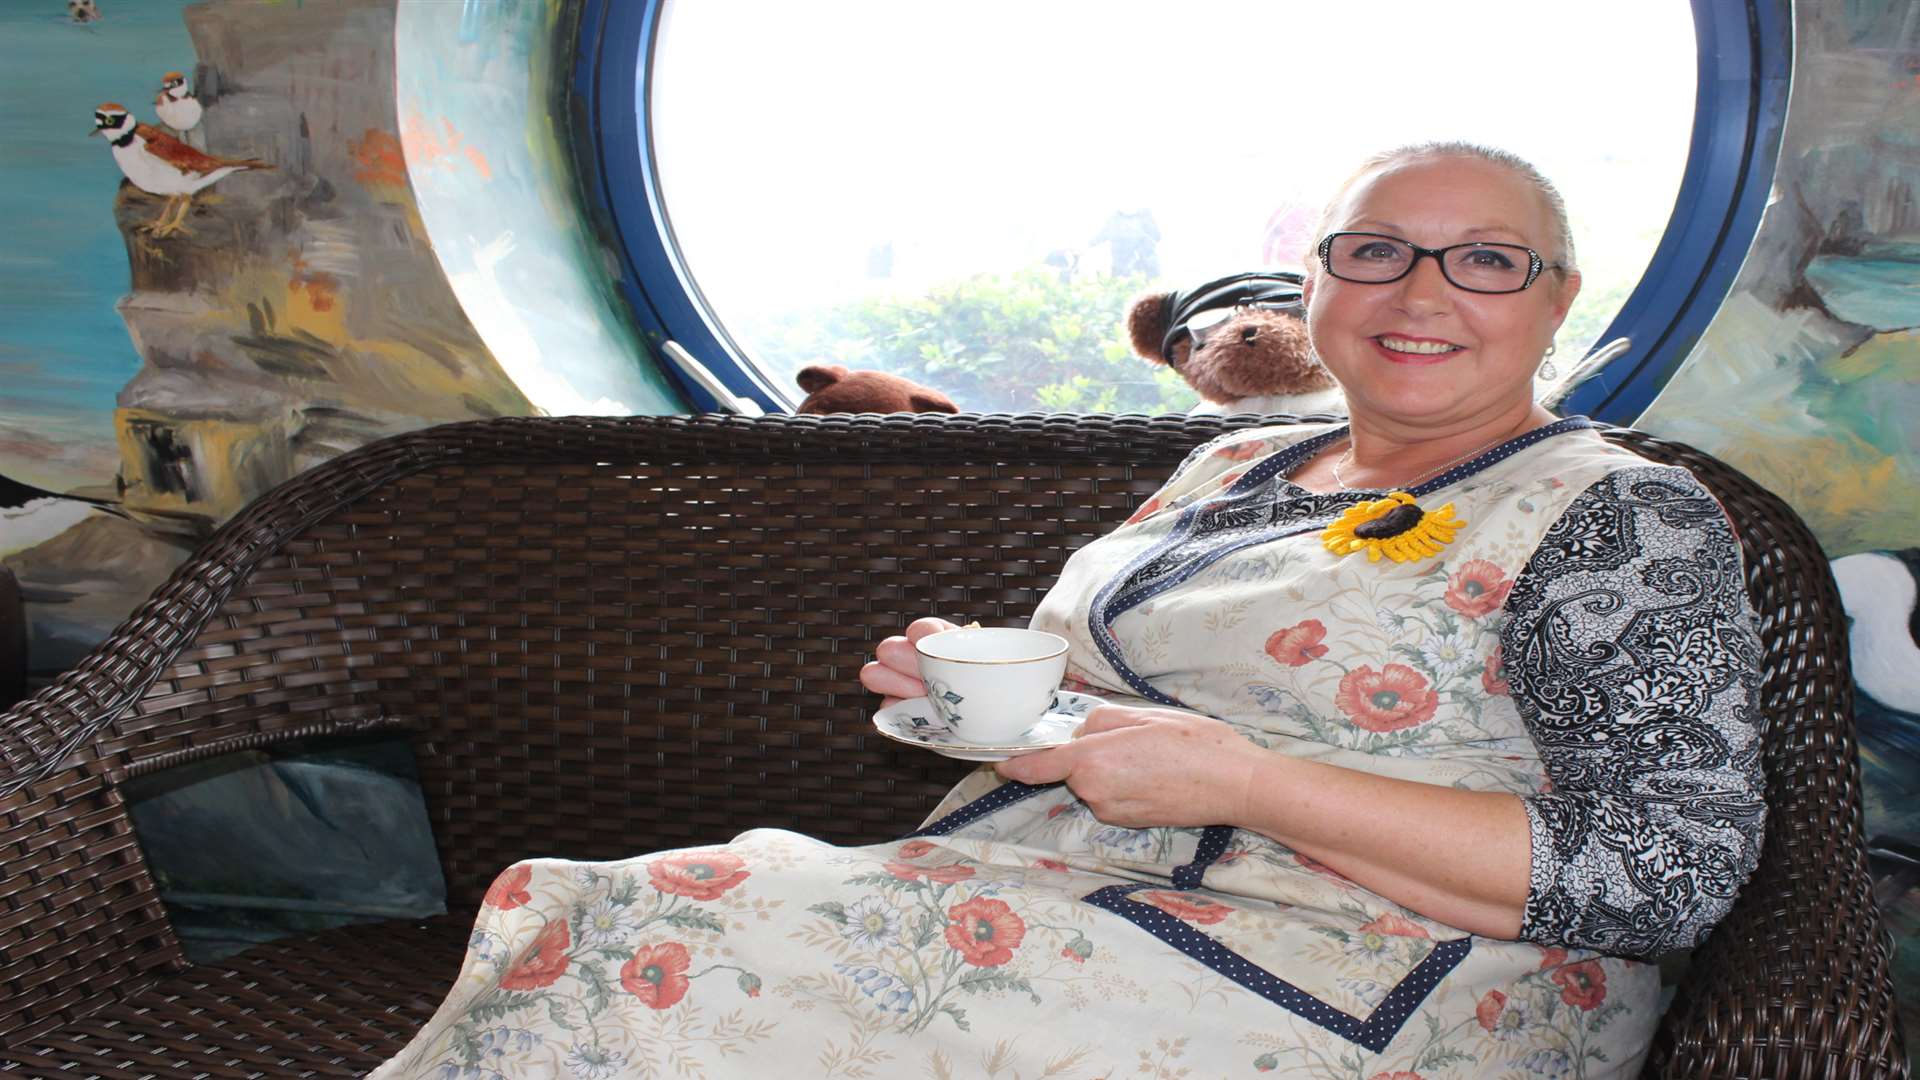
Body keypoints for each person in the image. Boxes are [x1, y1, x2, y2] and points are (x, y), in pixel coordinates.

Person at [372, 143, 1764, 1079]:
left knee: (631, 955)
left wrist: (1254, 787)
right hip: (1082, 888)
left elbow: (1665, 877)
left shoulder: (1618, 518)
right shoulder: (1237, 457)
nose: (1420, 294)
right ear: (1320, 282)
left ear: (1557, 298)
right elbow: (1151, 698)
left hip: (1393, 980)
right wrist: (994, 695)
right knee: (575, 910)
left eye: (1485, 261)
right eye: (1377, 251)